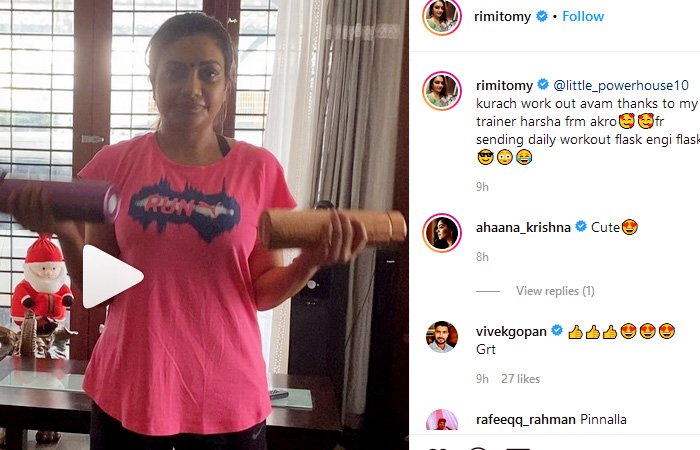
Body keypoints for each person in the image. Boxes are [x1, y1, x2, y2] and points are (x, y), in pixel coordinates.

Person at [7, 13, 367, 450]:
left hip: (228, 397)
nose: (191, 88)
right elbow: (100, 291)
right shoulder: (116, 164)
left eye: (208, 73)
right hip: (132, 390)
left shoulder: (258, 169)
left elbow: (259, 291)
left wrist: (310, 261)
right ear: (154, 82)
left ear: (226, 85)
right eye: (175, 71)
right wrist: (65, 231)